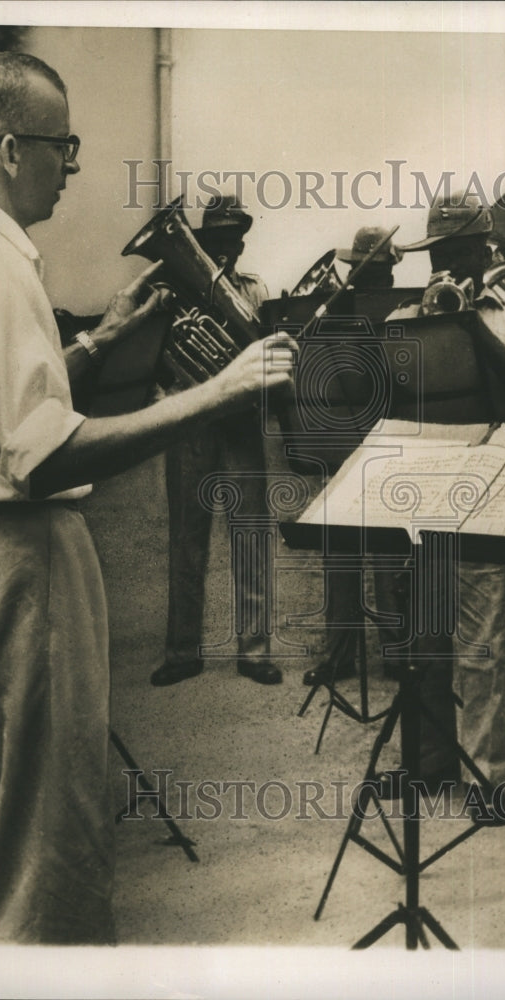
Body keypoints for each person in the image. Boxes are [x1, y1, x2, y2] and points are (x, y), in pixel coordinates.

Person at [0, 51, 297, 944]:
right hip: (18, 569)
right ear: (6, 149)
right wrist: (217, 392)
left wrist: (97, 343)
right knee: (44, 857)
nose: (71, 165)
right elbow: (38, 454)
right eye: (60, 144)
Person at [385, 192, 505, 799]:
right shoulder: (403, 322)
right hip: (424, 495)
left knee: (485, 647)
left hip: (492, 495)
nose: (444, 269)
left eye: (457, 254)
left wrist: (468, 326)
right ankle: (430, 765)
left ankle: (489, 775)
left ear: (484, 253)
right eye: (436, 257)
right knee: (424, 644)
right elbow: (385, 409)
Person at [151, 195, 284, 687]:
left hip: (240, 420)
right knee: (187, 538)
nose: (228, 247)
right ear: (203, 241)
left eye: (234, 238)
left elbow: (264, 346)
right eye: (219, 239)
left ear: (243, 241)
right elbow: (158, 351)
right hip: (191, 420)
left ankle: (255, 651)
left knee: (250, 535)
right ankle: (182, 650)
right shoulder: (177, 288)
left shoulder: (256, 288)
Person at [302, 226, 405, 687]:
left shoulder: (405, 309)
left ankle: (396, 652)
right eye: (362, 272)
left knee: (388, 554)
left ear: (391, 272)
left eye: (378, 271)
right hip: (340, 438)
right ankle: (339, 655)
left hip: (388, 437)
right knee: (340, 550)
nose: (369, 280)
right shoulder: (334, 311)